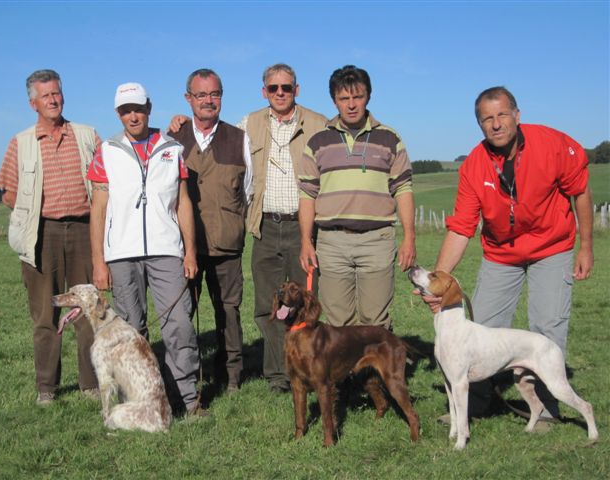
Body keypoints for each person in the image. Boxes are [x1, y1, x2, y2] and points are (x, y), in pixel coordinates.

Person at [417, 86, 594, 422]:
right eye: (487, 119)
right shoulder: (473, 165)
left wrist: (586, 246)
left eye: (501, 115)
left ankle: (545, 411)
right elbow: (460, 228)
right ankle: (475, 405)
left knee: (547, 327)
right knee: (481, 325)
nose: (496, 124)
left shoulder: (553, 144)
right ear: (480, 125)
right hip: (501, 252)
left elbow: (581, 191)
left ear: (517, 115)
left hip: (552, 246)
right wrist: (435, 282)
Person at [87, 82, 204, 417]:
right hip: (121, 255)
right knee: (130, 332)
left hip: (167, 250)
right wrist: (99, 261)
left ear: (149, 107)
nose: (133, 115)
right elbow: (98, 209)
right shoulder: (106, 151)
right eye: (125, 110)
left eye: (138, 108)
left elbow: (183, 202)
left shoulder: (171, 147)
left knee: (179, 323)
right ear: (118, 113)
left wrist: (190, 252)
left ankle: (187, 399)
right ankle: (141, 401)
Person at [0, 69, 99, 406]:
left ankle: (91, 384)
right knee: (45, 315)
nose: (53, 99)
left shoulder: (85, 135)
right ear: (33, 103)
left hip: (84, 231)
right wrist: (33, 215)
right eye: (46, 96)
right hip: (43, 234)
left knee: (88, 310)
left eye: (56, 93)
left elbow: (103, 182)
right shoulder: (21, 142)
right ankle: (47, 389)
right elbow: (8, 193)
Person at [298, 65, 416, 329]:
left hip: (377, 240)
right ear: (334, 101)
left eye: (358, 97)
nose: (351, 105)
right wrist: (306, 241)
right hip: (332, 242)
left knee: (375, 321)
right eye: (344, 98)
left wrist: (409, 237)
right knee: (339, 322)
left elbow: (404, 189)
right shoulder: (317, 142)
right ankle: (346, 372)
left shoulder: (390, 138)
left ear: (368, 97)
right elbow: (307, 195)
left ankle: (377, 372)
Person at [238, 64, 327, 393]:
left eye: (286, 88)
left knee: (306, 304)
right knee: (268, 307)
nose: (279, 93)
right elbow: (211, 135)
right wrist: (180, 124)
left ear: (297, 90)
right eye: (273, 88)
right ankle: (278, 375)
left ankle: (310, 370)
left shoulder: (318, 124)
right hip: (265, 227)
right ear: (264, 91)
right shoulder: (249, 124)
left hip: (302, 228)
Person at [168, 69, 253, 393]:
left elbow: (249, 191)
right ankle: (185, 374)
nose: (208, 101)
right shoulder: (172, 138)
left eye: (214, 94)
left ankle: (230, 377)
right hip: (182, 245)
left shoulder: (239, 138)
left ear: (221, 97)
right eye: (201, 95)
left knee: (228, 312)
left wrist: (232, 222)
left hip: (226, 242)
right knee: (182, 311)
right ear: (188, 99)